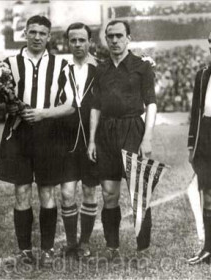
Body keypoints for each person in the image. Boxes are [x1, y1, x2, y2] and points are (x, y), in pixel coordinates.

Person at [0, 15, 75, 267]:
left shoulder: (61, 65)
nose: (37, 37)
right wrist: (9, 108)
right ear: (25, 33)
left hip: (49, 135)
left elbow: (71, 106)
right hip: (17, 135)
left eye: (43, 33)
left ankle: (47, 249)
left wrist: (43, 113)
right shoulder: (8, 64)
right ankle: (24, 250)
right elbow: (1, 101)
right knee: (21, 191)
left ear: (49, 36)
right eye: (33, 32)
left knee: (46, 192)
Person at [87, 20, 157, 259]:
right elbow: (95, 106)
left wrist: (147, 137)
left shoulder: (142, 67)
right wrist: (92, 140)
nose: (115, 41)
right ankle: (112, 246)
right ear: (106, 40)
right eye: (110, 37)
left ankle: (143, 248)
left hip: (133, 130)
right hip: (105, 132)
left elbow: (152, 104)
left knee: (138, 193)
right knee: (109, 193)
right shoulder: (101, 69)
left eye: (119, 36)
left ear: (129, 37)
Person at [59, 23, 99, 258]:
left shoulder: (100, 69)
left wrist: (94, 139)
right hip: (66, 138)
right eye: (73, 40)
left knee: (89, 191)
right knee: (66, 193)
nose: (77, 44)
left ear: (89, 41)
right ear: (68, 42)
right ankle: (71, 242)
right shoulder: (61, 69)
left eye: (82, 40)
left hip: (93, 139)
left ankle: (84, 242)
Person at [187, 31, 211, 265]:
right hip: (206, 138)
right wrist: (191, 144)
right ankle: (208, 249)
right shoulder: (202, 76)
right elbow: (195, 112)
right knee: (208, 196)